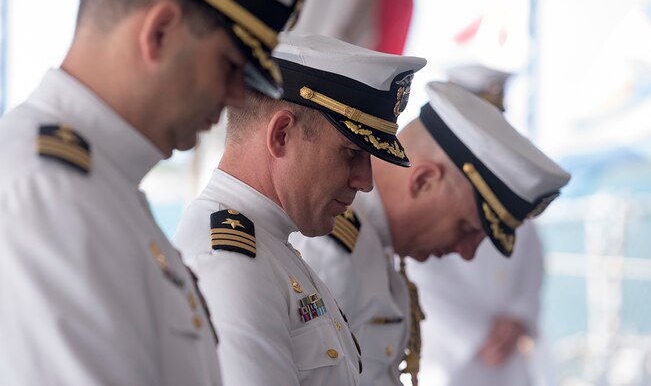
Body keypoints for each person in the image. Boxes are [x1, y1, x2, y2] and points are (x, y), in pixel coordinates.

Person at [0, 0, 313, 384]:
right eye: (230, 67)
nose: (233, 98)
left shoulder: (101, 187)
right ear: (160, 32)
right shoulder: (48, 191)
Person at [172, 31, 426, 386]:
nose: (365, 181)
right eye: (352, 153)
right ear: (281, 135)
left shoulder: (273, 249)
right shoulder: (232, 264)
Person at [290, 80, 571, 386]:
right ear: (423, 181)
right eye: (466, 228)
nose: (467, 252)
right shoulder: (333, 251)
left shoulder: (373, 246)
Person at [408, 63, 545, 386]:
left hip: (508, 361)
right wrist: (476, 337)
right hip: (448, 360)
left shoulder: (510, 184)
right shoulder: (436, 179)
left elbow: (531, 254)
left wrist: (518, 317)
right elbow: (419, 270)